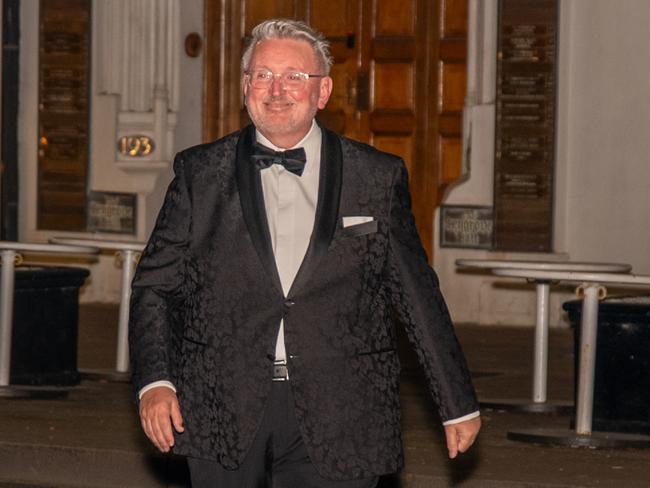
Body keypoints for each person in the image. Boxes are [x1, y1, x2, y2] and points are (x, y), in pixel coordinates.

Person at [129, 18, 480, 488]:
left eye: (295, 76)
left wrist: (456, 402)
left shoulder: (376, 176)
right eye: (263, 75)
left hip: (342, 404)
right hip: (220, 399)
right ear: (245, 85)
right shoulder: (200, 173)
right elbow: (155, 286)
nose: (277, 90)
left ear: (323, 91)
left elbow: (416, 295)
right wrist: (156, 382)